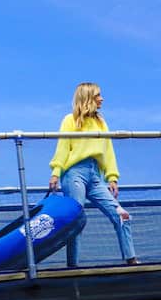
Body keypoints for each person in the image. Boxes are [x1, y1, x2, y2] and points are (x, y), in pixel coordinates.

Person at [48, 82, 137, 266]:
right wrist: (56, 173)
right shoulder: (70, 120)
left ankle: (131, 259)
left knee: (121, 214)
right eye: (98, 95)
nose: (102, 99)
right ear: (88, 97)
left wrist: (112, 177)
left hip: (95, 175)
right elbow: (63, 148)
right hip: (74, 173)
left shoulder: (101, 123)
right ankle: (73, 266)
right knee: (76, 219)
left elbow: (108, 150)